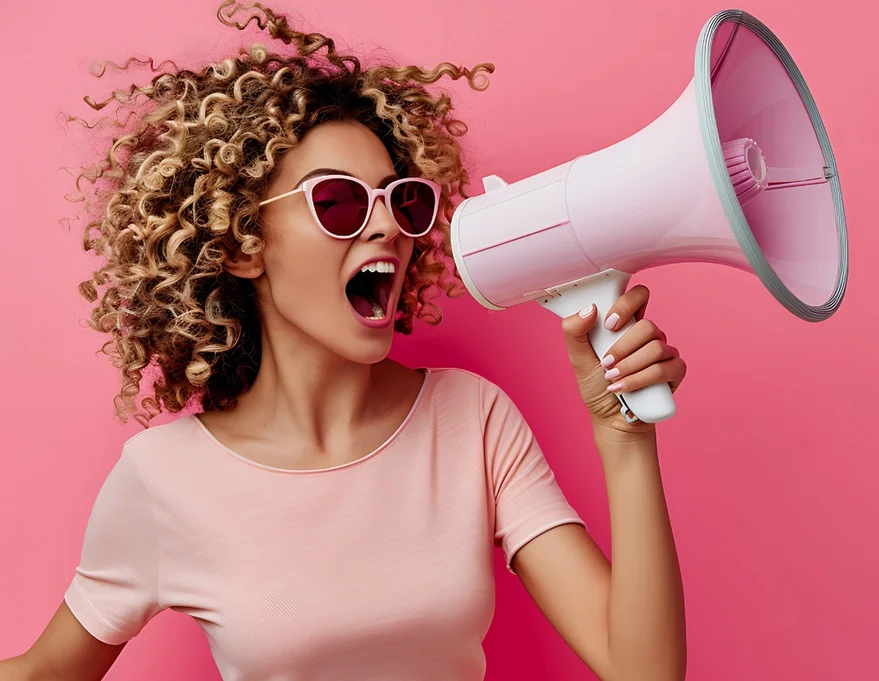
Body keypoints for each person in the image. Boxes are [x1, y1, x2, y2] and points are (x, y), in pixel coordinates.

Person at [0, 2, 688, 680]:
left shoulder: (472, 420)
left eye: (402, 200)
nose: (386, 227)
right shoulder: (163, 478)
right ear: (241, 245)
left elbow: (644, 671)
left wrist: (623, 433)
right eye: (338, 202)